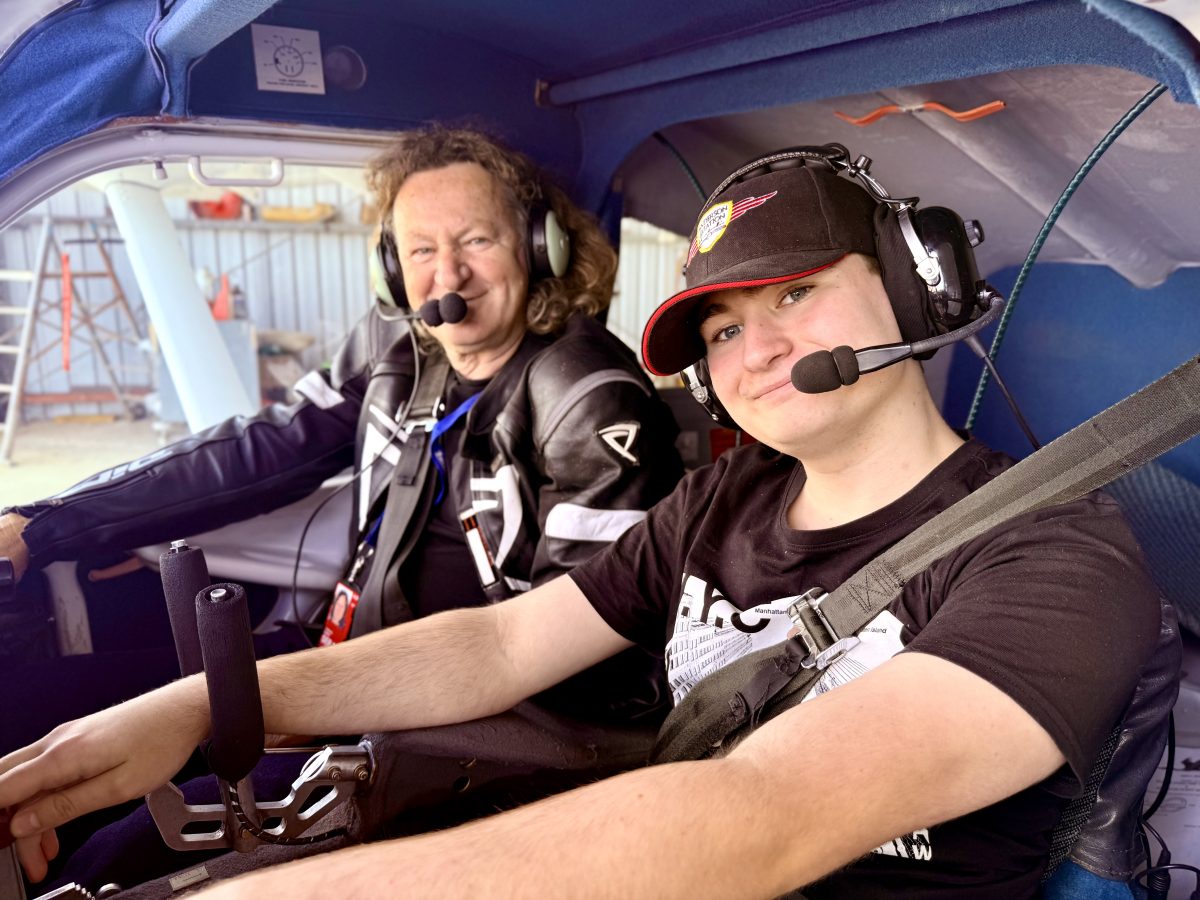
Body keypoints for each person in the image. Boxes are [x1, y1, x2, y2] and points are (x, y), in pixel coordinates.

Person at [0, 144, 1173, 899]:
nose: (751, 349)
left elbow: (760, 818)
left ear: (917, 291)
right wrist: (216, 705)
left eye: (796, 294)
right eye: (718, 328)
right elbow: (505, 644)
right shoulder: (729, 495)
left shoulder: (1052, 553)